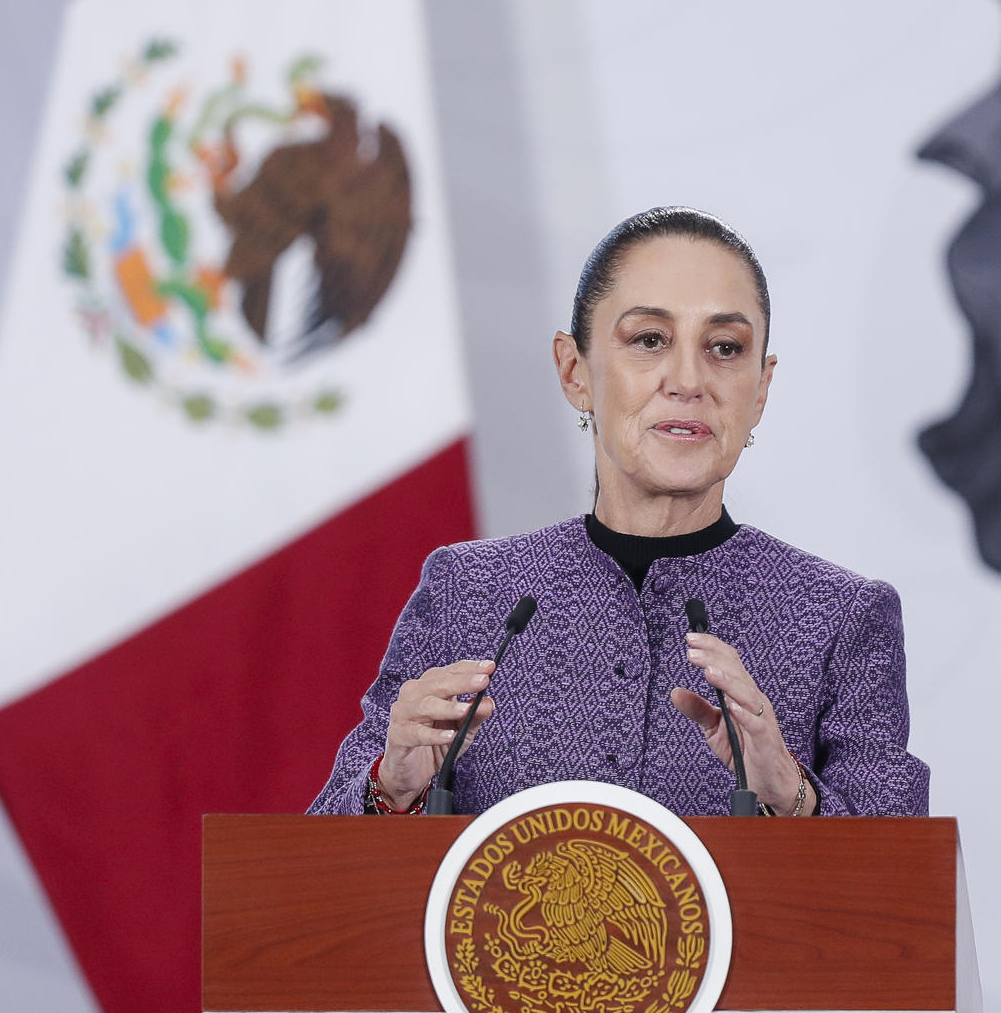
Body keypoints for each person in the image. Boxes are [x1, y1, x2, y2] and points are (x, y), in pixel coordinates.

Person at [309, 207, 930, 818]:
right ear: (574, 371)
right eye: (650, 340)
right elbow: (319, 868)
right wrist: (392, 789)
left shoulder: (840, 619)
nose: (689, 380)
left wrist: (790, 795)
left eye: (724, 347)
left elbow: (902, 889)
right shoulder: (468, 594)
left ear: (761, 389)